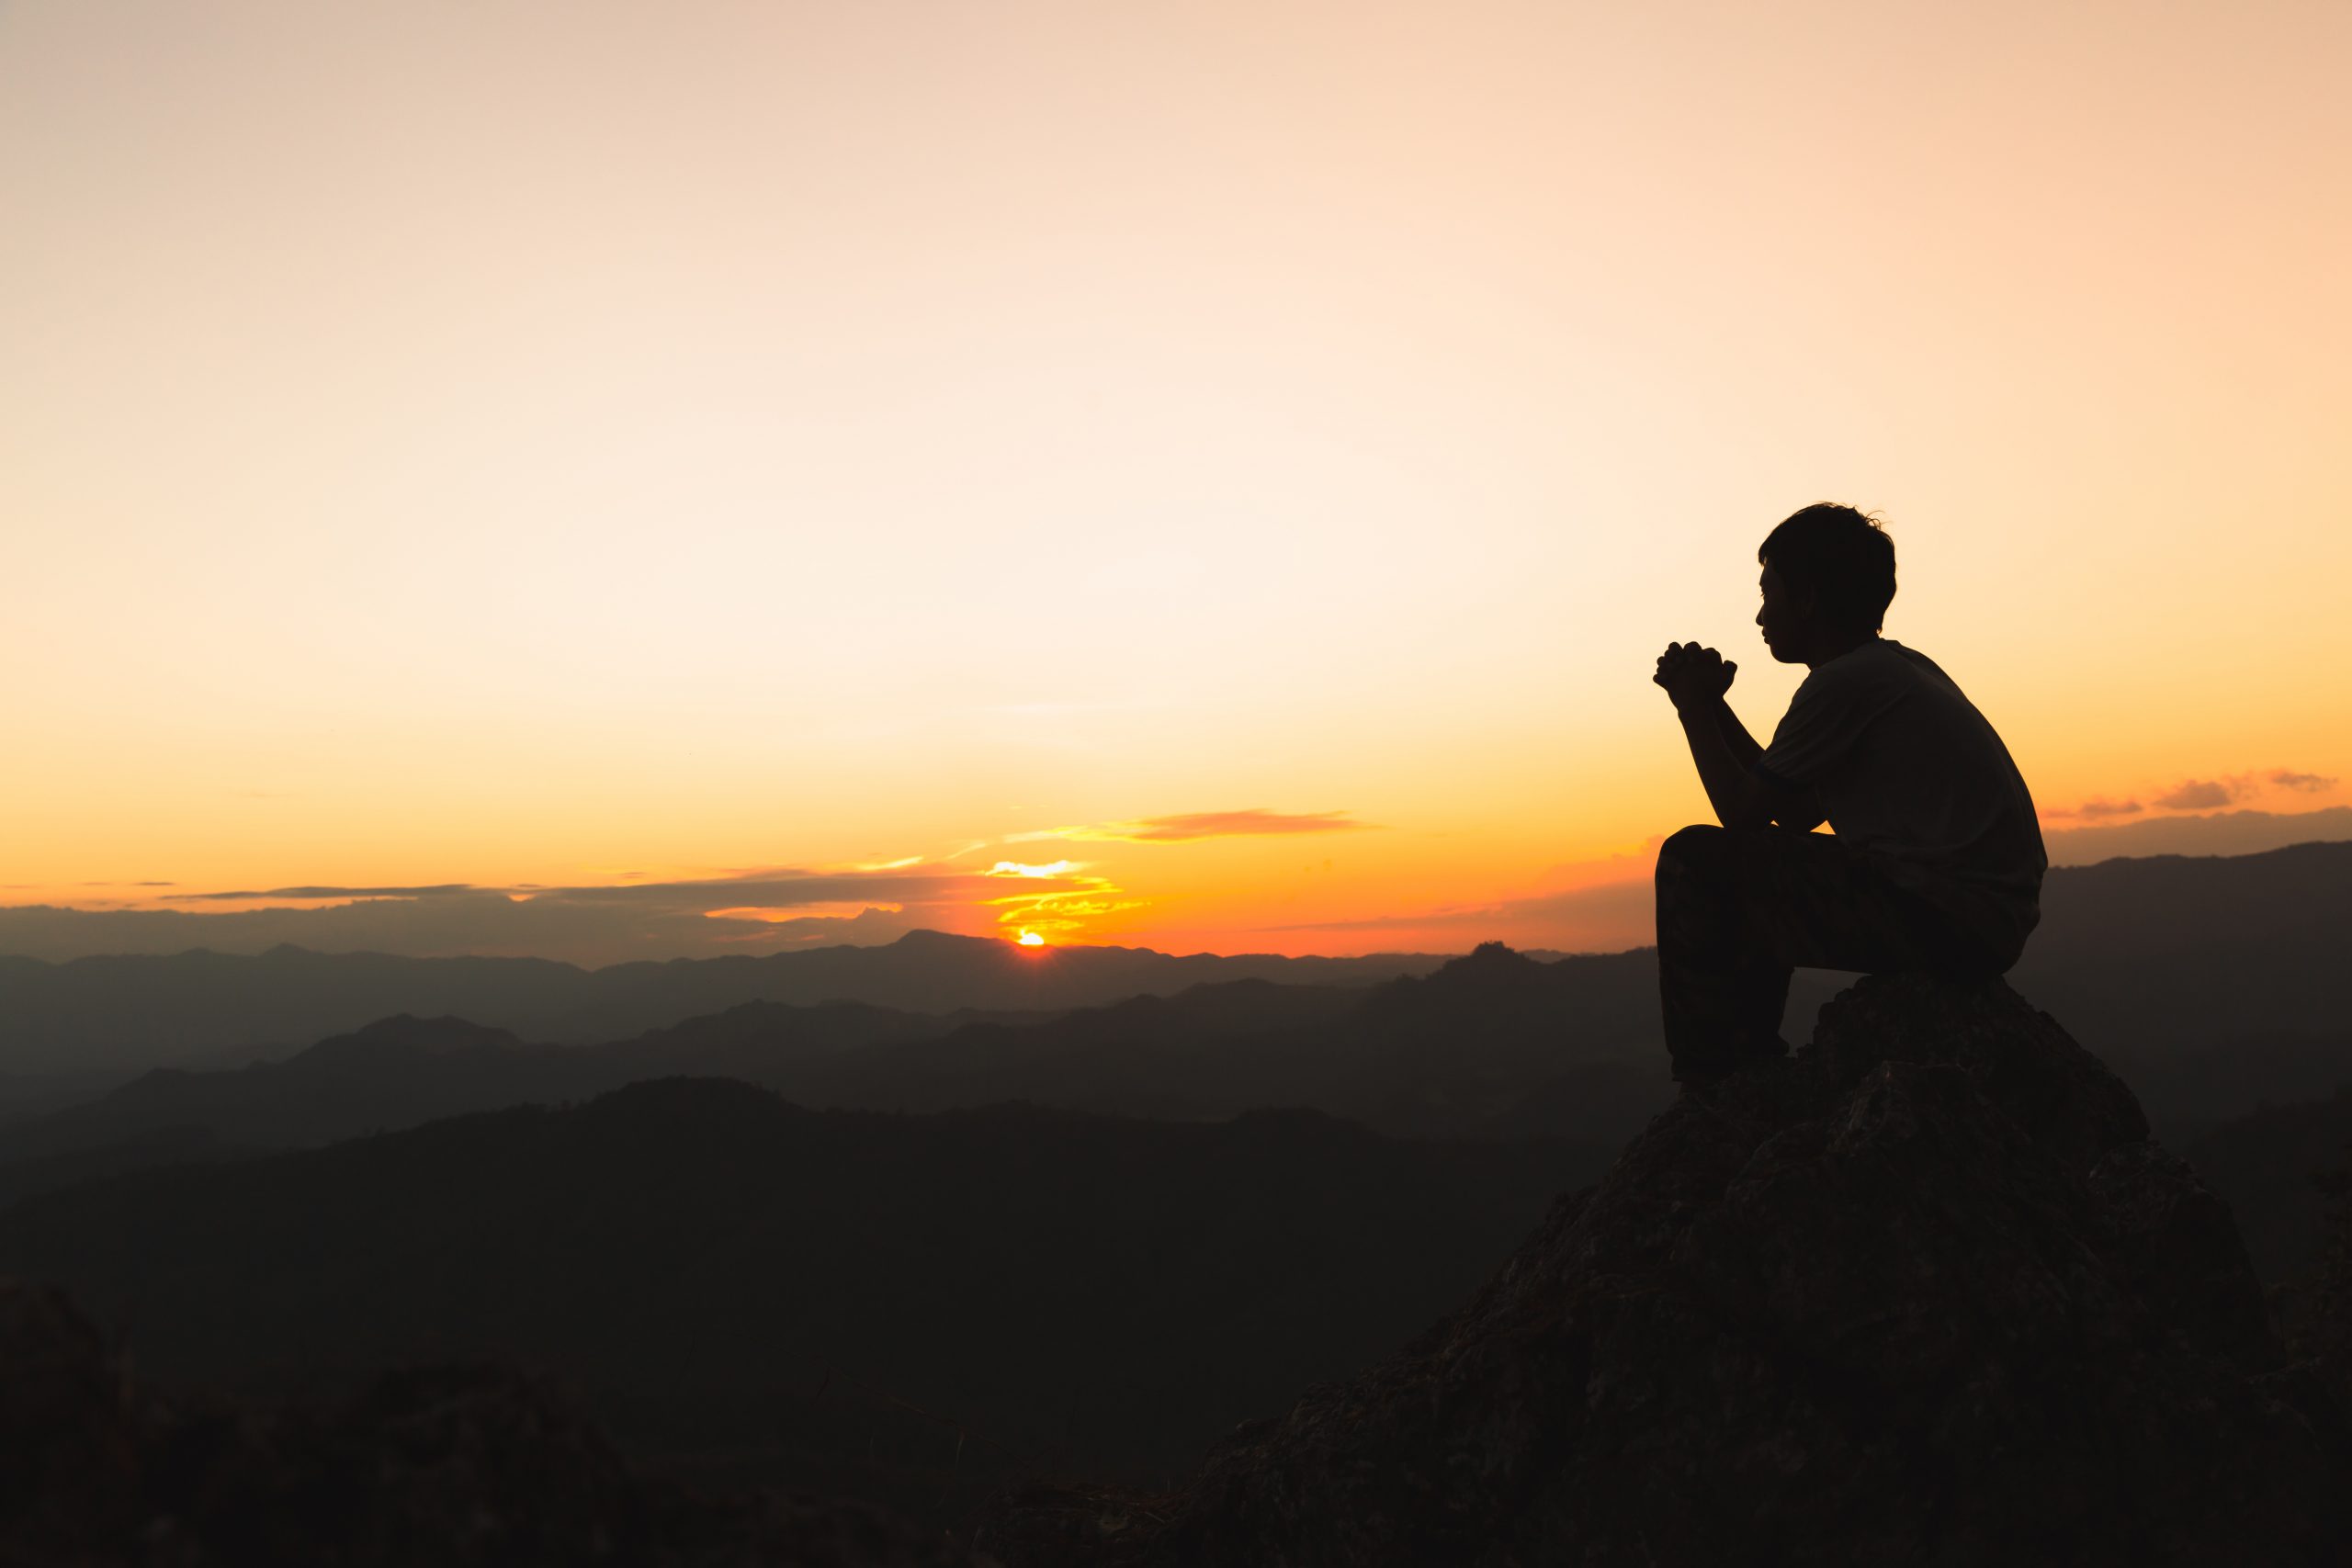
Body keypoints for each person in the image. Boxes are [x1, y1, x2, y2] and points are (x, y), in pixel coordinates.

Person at [1650, 502, 2045, 1084]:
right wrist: (1712, 704)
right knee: (1752, 872)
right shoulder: (1889, 669)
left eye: (1769, 593)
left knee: (1694, 862)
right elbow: (1796, 810)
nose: (1760, 615)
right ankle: (1745, 1062)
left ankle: (1720, 1077)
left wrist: (1691, 707)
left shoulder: (1842, 684)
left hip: (1947, 916)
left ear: (1807, 599)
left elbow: (1742, 815)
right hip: (1979, 916)